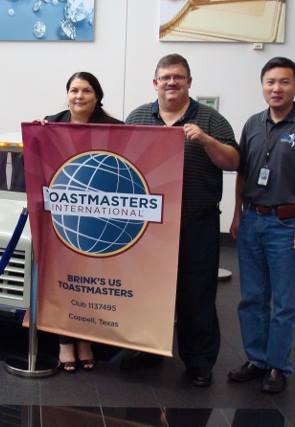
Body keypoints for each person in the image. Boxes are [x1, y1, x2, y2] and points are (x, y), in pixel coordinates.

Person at [125, 54, 239, 386]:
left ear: (189, 81)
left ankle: (199, 363)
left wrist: (206, 140)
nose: (171, 82)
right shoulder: (138, 117)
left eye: (178, 76)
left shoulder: (211, 120)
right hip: (149, 224)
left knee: (196, 293)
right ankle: (148, 350)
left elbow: (233, 161)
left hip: (196, 221)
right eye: (165, 77)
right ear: (155, 83)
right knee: (148, 290)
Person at [228, 57, 295, 393]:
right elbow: (243, 173)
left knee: (283, 303)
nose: (276, 88)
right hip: (251, 220)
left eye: (284, 82)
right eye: (270, 82)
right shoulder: (253, 124)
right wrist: (237, 214)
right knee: (251, 297)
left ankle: (277, 366)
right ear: (263, 86)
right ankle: (256, 360)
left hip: (287, 224)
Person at [44, 71, 123, 372]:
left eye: (86, 90)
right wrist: (37, 133)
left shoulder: (116, 128)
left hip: (99, 218)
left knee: (91, 281)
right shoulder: (50, 124)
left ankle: (86, 340)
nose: (79, 96)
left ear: (97, 96)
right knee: (63, 280)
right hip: (61, 215)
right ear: (67, 94)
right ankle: (65, 342)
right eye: (74, 90)